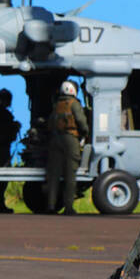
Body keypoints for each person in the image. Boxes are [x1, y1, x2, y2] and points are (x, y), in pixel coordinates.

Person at [45, 80, 89, 214]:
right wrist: (85, 132)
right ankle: (68, 207)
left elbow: (50, 123)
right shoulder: (74, 104)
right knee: (70, 174)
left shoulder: (56, 105)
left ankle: (51, 206)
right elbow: (81, 122)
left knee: (54, 175)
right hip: (70, 140)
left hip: (55, 140)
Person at [0, 88, 21, 213]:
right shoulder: (6, 115)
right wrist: (15, 126)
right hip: (2, 150)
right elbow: (9, 134)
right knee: (2, 180)